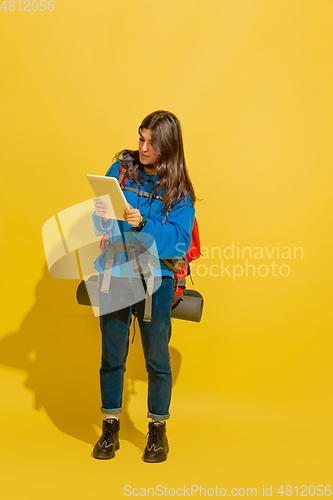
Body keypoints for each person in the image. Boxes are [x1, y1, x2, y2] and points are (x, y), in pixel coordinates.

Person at [91, 110, 196, 463]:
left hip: (157, 277)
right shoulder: (122, 168)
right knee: (112, 354)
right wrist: (100, 215)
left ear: (168, 146)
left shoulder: (180, 191)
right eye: (141, 138)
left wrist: (145, 222)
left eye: (151, 142)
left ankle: (157, 430)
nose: (143, 147)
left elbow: (179, 242)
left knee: (156, 359)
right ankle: (110, 425)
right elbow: (99, 217)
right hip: (117, 269)